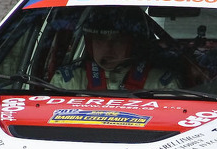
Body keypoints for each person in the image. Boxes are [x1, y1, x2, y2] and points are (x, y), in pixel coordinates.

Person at [51, 6, 179, 91]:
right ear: (90, 43)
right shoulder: (66, 81)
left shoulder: (162, 84)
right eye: (100, 40)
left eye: (118, 40)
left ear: (133, 44)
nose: (108, 47)